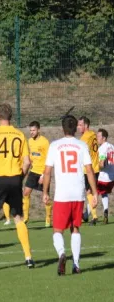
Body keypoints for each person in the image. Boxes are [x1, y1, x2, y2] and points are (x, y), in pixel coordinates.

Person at [0, 103, 34, 271]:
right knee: (18, 218)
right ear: (11, 117)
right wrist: (20, 177)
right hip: (14, 179)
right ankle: (28, 257)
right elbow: (27, 162)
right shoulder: (19, 134)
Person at [43, 115, 98, 275]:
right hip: (78, 193)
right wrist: (94, 193)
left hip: (62, 194)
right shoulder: (81, 145)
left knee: (58, 230)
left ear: (62, 128)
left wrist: (45, 192)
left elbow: (47, 172)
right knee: (75, 228)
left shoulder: (55, 145)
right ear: (75, 129)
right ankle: (76, 264)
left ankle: (61, 254)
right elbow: (89, 170)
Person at [22, 121, 51, 226]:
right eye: (30, 130)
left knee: (45, 197)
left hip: (43, 172)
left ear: (38, 130)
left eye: (33, 130)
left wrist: (44, 175)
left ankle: (48, 218)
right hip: (33, 171)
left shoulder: (44, 142)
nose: (32, 132)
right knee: (25, 193)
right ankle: (25, 218)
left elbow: (49, 160)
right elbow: (30, 157)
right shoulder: (29, 141)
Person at [78, 116, 100, 225]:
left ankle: (94, 216)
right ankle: (88, 215)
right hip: (96, 168)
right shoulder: (93, 134)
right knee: (89, 192)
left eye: (80, 125)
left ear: (86, 126)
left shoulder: (84, 138)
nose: (78, 127)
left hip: (89, 170)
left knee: (88, 193)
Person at [97, 128, 114, 224]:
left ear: (104, 138)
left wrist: (95, 167)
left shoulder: (102, 148)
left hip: (104, 177)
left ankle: (88, 215)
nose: (97, 138)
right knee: (104, 193)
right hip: (112, 176)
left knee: (92, 192)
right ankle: (106, 211)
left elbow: (102, 164)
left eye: (98, 136)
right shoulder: (112, 146)